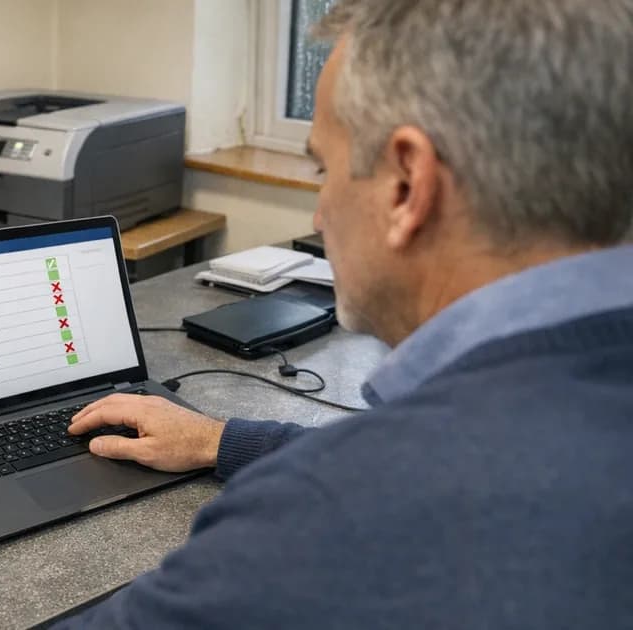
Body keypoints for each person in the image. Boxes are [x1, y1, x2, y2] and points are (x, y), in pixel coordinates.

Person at [56, 1, 633, 627]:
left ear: (408, 187)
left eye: (324, 169)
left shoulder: (336, 515)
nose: (319, 216)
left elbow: (392, 487)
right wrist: (218, 440)